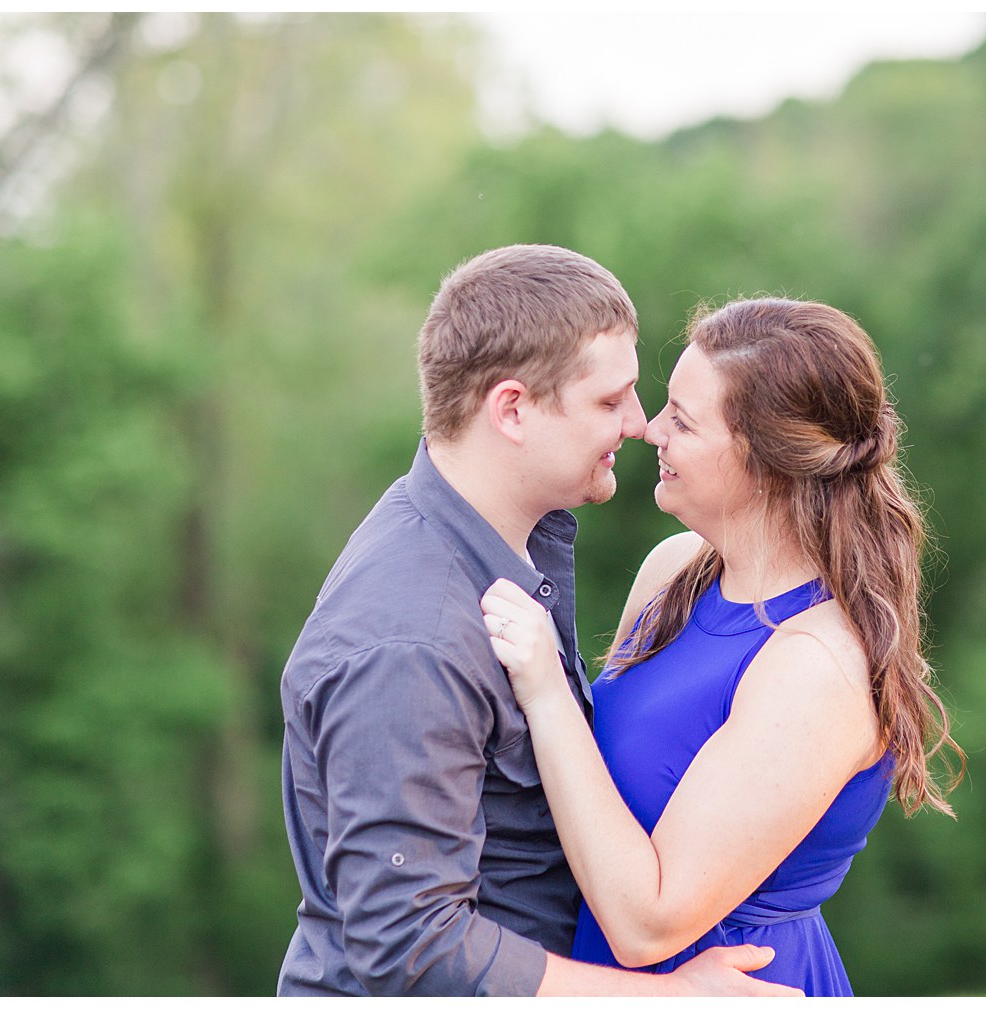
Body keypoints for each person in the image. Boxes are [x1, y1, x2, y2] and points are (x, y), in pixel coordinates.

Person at [276, 245, 800, 997]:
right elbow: (411, 947)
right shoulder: (411, 638)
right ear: (513, 409)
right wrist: (672, 997)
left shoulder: (509, 539)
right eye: (609, 400)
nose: (640, 423)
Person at [481, 296, 965, 996]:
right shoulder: (675, 570)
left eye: (682, 419)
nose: (650, 430)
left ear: (766, 462)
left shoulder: (815, 665)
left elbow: (647, 924)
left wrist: (545, 688)